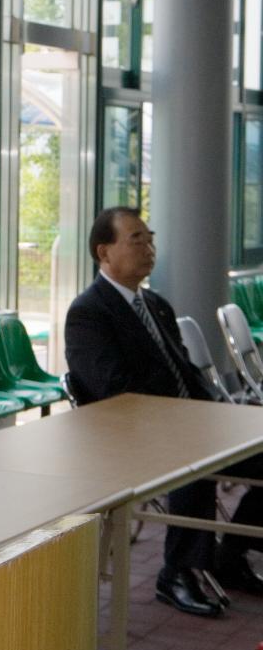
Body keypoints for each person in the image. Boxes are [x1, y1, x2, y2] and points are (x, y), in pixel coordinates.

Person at [65, 206, 263, 618]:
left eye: (150, 238)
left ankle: (232, 555)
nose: (149, 248)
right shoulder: (88, 313)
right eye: (137, 239)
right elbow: (113, 392)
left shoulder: (154, 304)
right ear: (104, 251)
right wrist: (187, 421)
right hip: (128, 436)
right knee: (197, 460)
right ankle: (177, 573)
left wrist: (216, 412)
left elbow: (186, 373)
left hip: (183, 425)